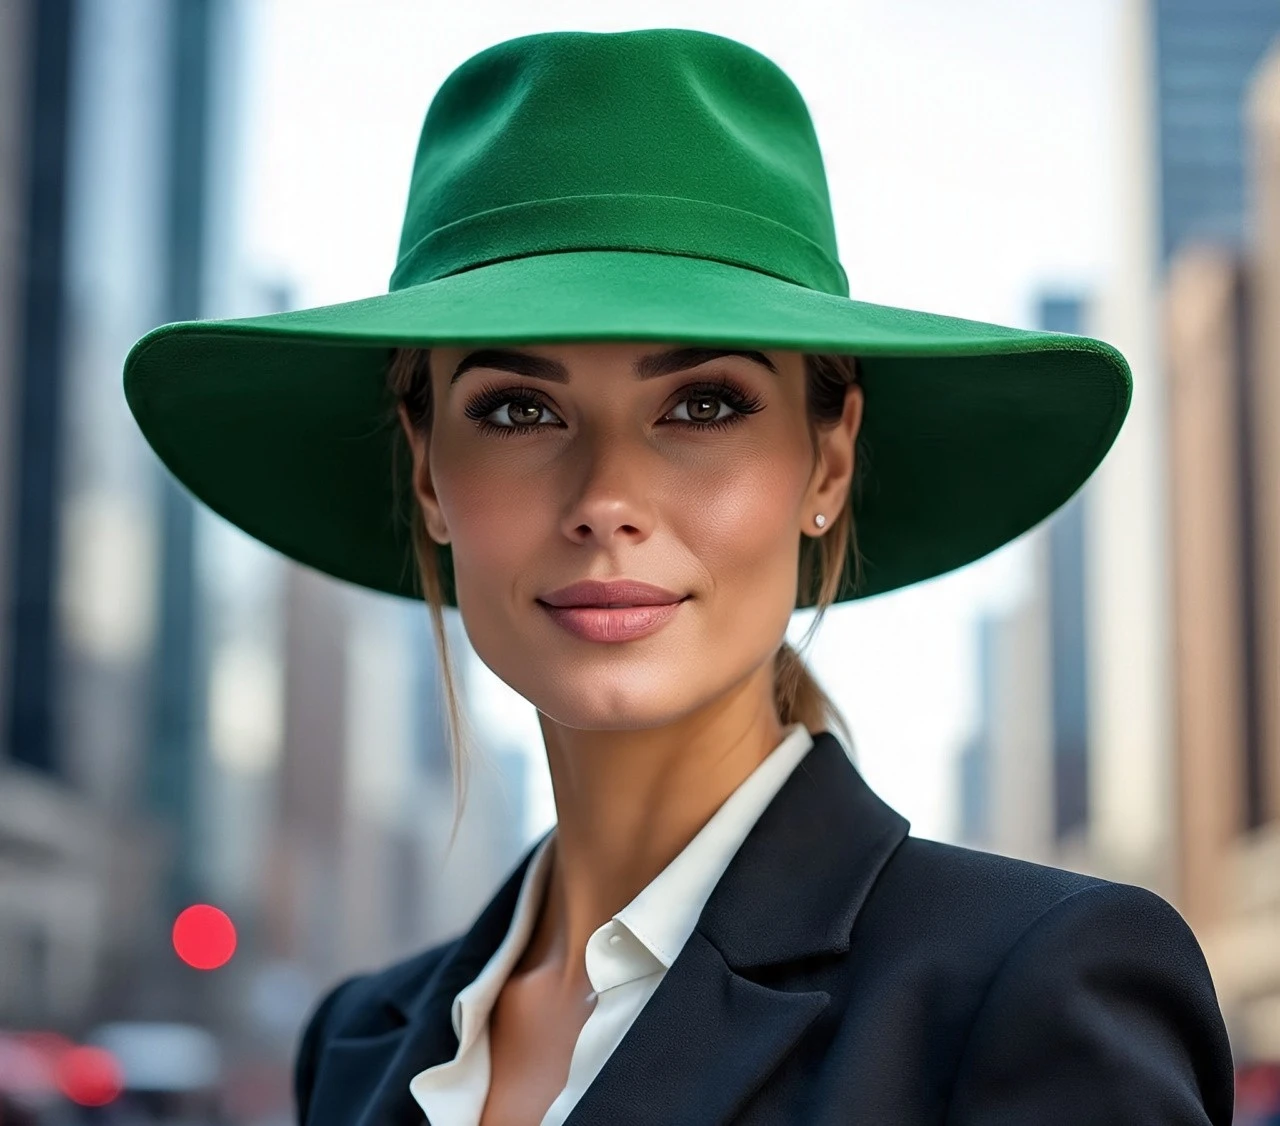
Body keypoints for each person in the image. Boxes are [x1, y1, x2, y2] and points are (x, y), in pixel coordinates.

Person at [122, 27, 1234, 1126]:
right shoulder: (355, 1042)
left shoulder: (1024, 993)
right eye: (518, 410)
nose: (606, 497)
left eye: (702, 404)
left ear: (828, 460)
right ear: (426, 473)